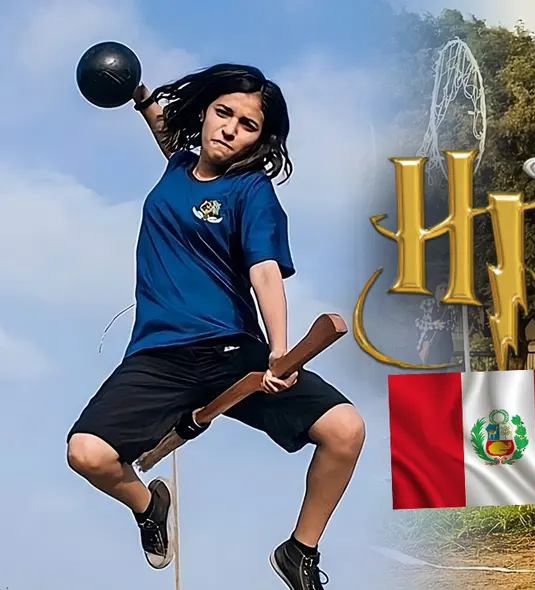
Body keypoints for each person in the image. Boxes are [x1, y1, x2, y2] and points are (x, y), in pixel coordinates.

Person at [65, 65, 365, 590]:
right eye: (223, 112)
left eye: (247, 124)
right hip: (158, 357)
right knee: (86, 453)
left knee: (346, 430)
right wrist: (140, 99)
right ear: (204, 112)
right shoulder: (178, 167)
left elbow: (264, 273)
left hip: (232, 353)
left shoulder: (252, 192)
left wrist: (279, 351)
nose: (229, 129)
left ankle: (299, 551)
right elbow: (168, 138)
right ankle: (148, 506)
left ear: (260, 138)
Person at [416, 282, 459, 365]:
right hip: (429, 343)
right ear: (435, 291)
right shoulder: (426, 304)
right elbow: (418, 322)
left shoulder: (450, 306)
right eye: (441, 288)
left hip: (445, 345)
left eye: (446, 288)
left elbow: (454, 325)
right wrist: (433, 325)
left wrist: (445, 325)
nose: (444, 290)